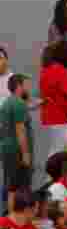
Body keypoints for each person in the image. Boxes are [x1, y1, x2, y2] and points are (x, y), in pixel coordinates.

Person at [0, 75, 33, 211]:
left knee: (11, 185)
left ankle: (11, 215)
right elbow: (21, 130)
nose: (29, 87)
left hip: (7, 147)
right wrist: (25, 153)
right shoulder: (19, 104)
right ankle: (15, 216)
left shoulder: (8, 102)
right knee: (19, 187)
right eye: (26, 84)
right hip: (17, 149)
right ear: (19, 86)